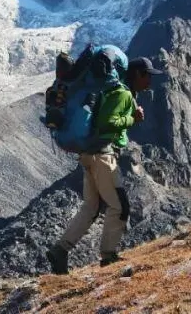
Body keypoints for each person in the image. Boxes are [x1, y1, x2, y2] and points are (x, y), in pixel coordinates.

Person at [46, 57, 161, 273]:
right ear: (137, 74)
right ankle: (108, 257)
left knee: (91, 207)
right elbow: (107, 123)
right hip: (103, 156)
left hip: (88, 155)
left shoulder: (114, 91)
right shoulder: (123, 94)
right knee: (120, 206)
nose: (150, 81)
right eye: (148, 76)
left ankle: (60, 250)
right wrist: (132, 119)